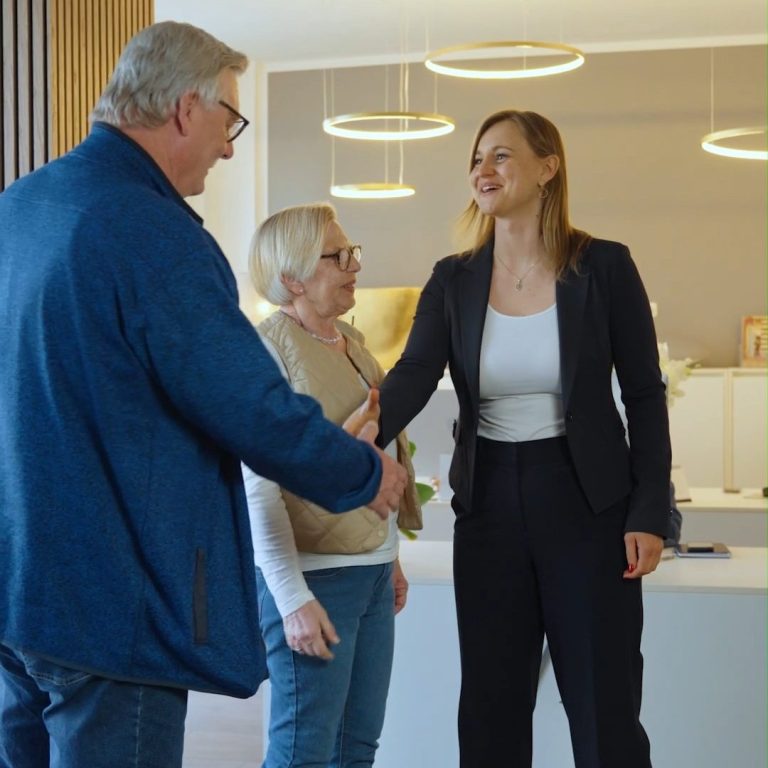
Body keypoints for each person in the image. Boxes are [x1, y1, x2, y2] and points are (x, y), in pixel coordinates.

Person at [0, 22, 406, 768]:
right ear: (186, 108)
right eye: (229, 119)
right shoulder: (150, 230)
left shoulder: (19, 209)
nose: (229, 145)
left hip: (19, 589)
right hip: (112, 607)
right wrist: (363, 472)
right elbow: (246, 400)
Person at [377, 109, 671, 768]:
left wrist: (651, 511)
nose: (483, 169)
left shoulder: (606, 268)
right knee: (491, 704)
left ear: (548, 167)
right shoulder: (453, 278)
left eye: (502, 156)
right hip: (488, 508)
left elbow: (646, 398)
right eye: (477, 159)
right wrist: (353, 437)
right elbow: (415, 374)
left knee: (604, 703)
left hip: (590, 505)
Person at [244, 202, 422, 767]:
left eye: (353, 253)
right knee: (304, 750)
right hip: (313, 579)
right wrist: (291, 599)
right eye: (337, 256)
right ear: (292, 277)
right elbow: (258, 484)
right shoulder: (268, 349)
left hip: (368, 572)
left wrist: (389, 556)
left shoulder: (353, 344)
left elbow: (377, 454)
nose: (354, 266)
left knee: (358, 746)